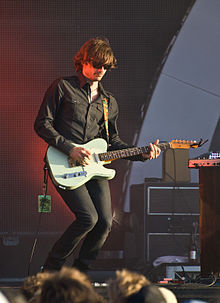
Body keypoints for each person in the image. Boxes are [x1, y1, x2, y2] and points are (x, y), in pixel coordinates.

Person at [34, 37, 161, 272]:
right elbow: (42, 123)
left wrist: (142, 154)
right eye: (96, 64)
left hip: (94, 169)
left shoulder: (108, 102)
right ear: (83, 61)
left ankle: (81, 273)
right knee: (87, 218)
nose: (101, 70)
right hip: (64, 163)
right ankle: (51, 269)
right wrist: (70, 148)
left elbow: (112, 142)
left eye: (105, 66)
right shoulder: (63, 87)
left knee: (104, 223)